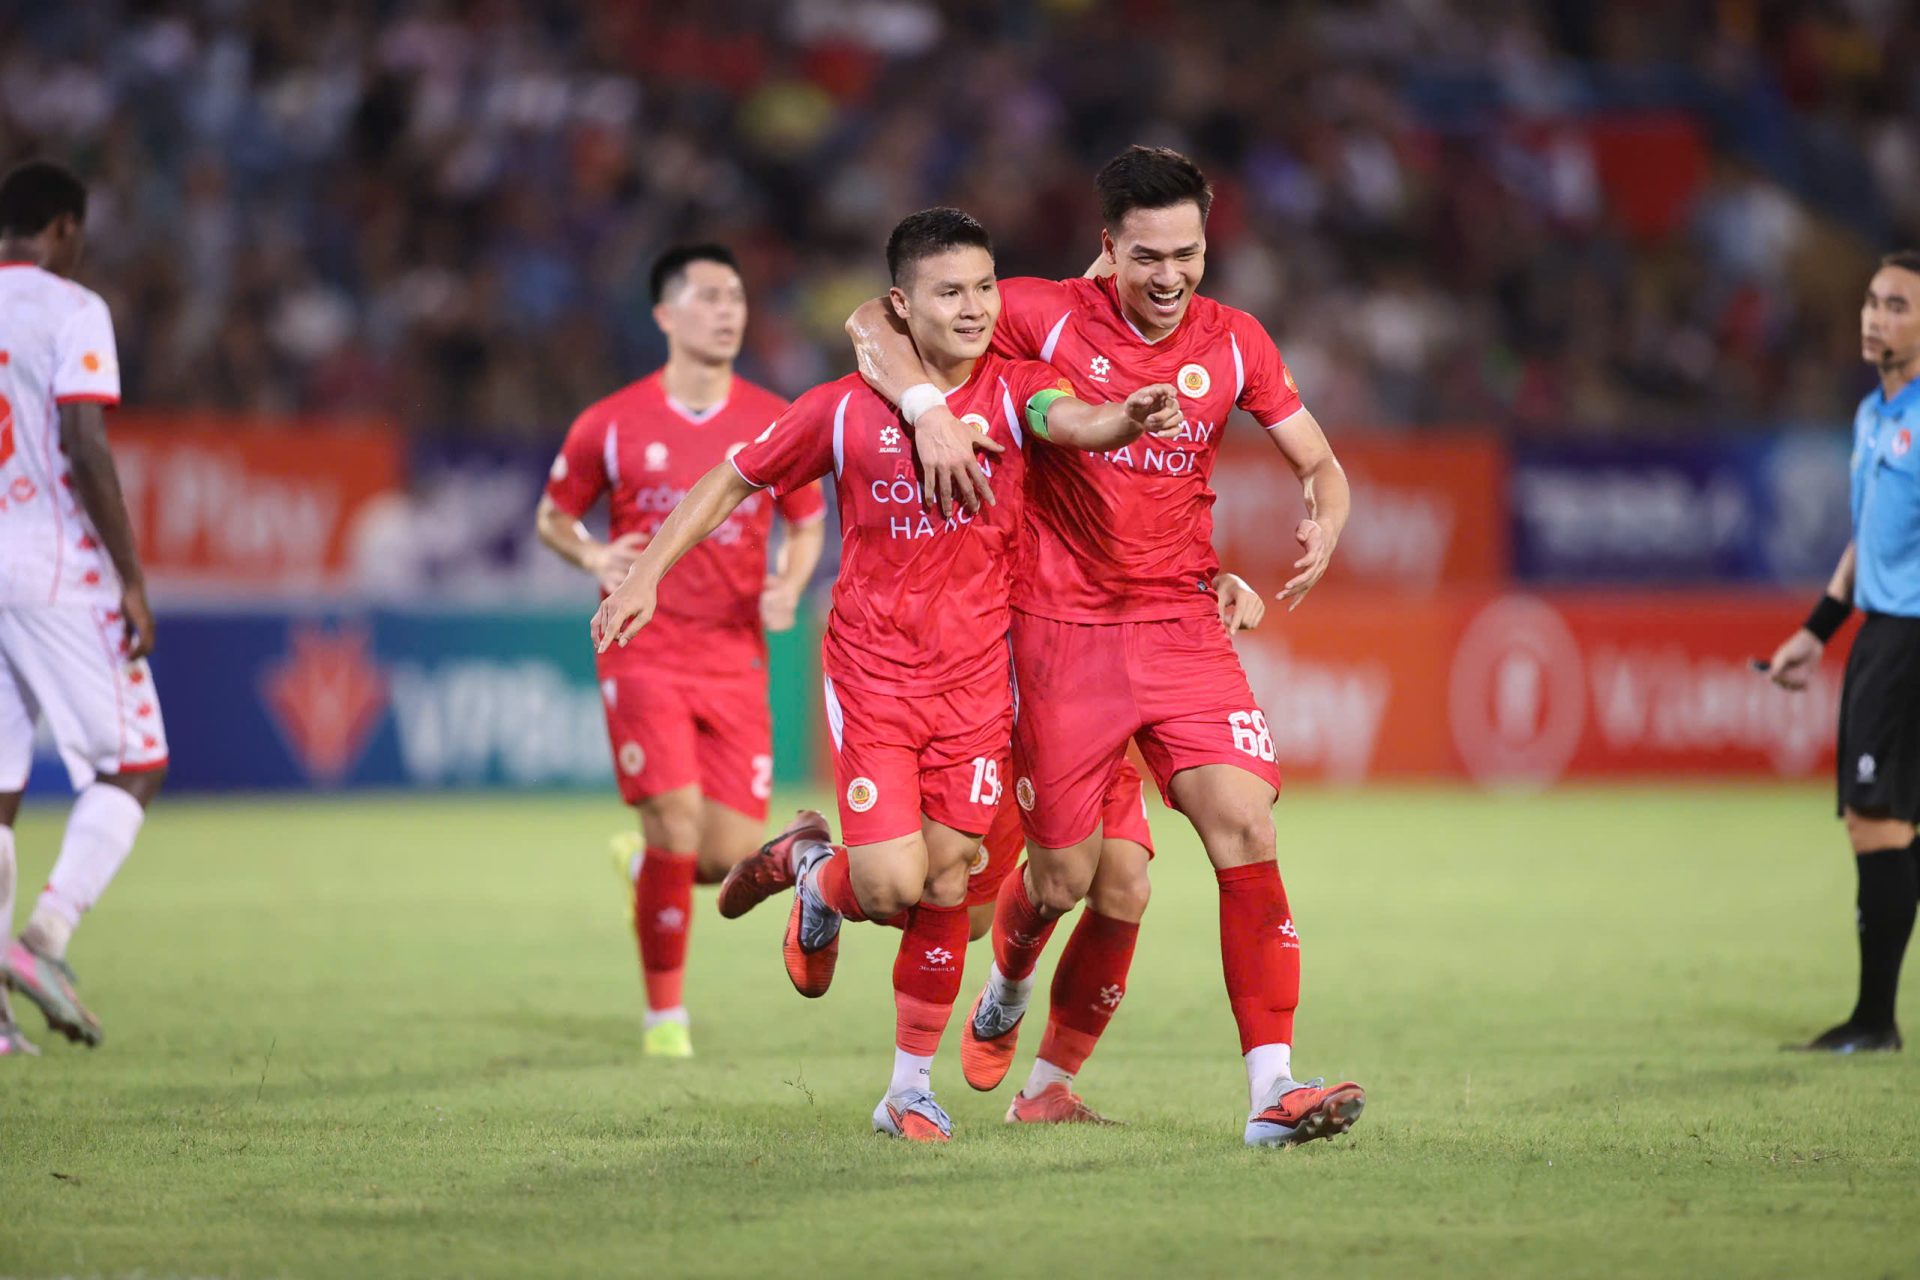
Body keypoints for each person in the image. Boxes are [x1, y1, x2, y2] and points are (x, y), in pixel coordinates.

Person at [594, 207, 1184, 1141]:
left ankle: (907, 1088)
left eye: (986, 286)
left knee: (949, 884)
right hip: (874, 674)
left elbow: (1071, 417)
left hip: (979, 684)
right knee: (888, 890)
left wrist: (1123, 418)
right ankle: (819, 869)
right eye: (951, 292)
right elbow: (732, 480)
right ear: (900, 307)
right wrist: (644, 574)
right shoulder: (840, 409)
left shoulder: (1018, 390)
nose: (977, 307)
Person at [846, 146, 1365, 1147]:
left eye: (1189, 253)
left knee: (1244, 827)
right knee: (1064, 877)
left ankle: (1272, 1091)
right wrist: (926, 411)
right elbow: (872, 320)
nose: (1170, 277)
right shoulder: (1044, 313)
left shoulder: (1238, 339)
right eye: (1148, 256)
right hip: (1060, 635)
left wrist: (1324, 519)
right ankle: (1008, 976)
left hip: (1180, 625)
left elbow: (1322, 461)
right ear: (1108, 250)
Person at [535, 244, 827, 1059]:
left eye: (736, 296)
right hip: (643, 648)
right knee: (674, 823)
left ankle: (647, 874)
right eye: (708, 297)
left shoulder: (775, 417)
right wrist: (595, 557)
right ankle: (666, 1019)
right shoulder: (612, 421)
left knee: (728, 857)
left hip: (735, 655)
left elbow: (806, 522)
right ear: (665, 315)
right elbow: (552, 517)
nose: (728, 310)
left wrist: (790, 582)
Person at [0, 160, 166, 1055]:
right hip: (52, 566)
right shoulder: (71, 309)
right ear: (64, 227)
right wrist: (130, 575)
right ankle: (43, 939)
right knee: (137, 762)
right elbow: (83, 443)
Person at [1764, 249, 1920, 1054]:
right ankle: (1874, 1018)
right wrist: (1815, 632)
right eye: (1871, 300)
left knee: (1877, 819)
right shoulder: (1872, 416)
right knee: (1891, 820)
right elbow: (1868, 544)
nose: (1874, 316)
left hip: (1907, 637)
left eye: (1896, 305)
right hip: (1878, 631)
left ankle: (1874, 1022)